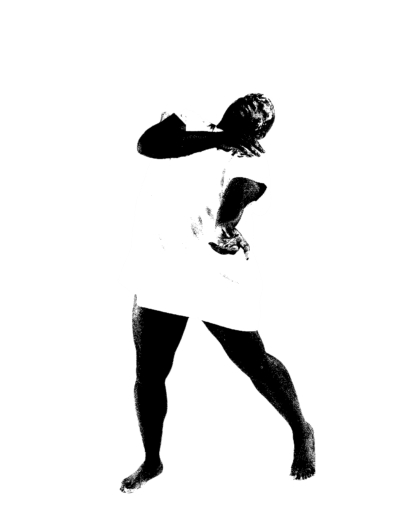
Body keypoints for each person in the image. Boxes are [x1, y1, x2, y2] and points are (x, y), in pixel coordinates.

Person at [117, 91, 316, 494]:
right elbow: (148, 144)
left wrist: (226, 223)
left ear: (262, 130)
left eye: (263, 110)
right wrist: (220, 137)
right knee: (149, 373)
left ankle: (302, 431)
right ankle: (152, 461)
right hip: (161, 271)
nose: (255, 105)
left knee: (254, 361)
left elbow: (240, 192)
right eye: (252, 99)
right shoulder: (187, 122)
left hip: (217, 273)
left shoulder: (250, 158)